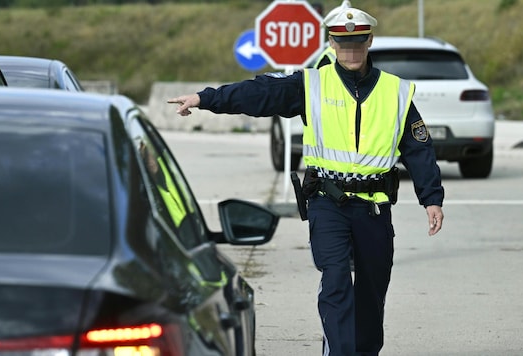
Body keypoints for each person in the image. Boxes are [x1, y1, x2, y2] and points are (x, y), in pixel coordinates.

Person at [168, 6, 445, 356]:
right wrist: (206, 99)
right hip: (328, 203)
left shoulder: (396, 92)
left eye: (358, 42)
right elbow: (260, 94)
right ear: (332, 42)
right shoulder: (311, 83)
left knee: (372, 293)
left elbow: (418, 148)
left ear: (369, 41)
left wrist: (431, 198)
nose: (351, 50)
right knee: (336, 282)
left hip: (374, 208)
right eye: (343, 42)